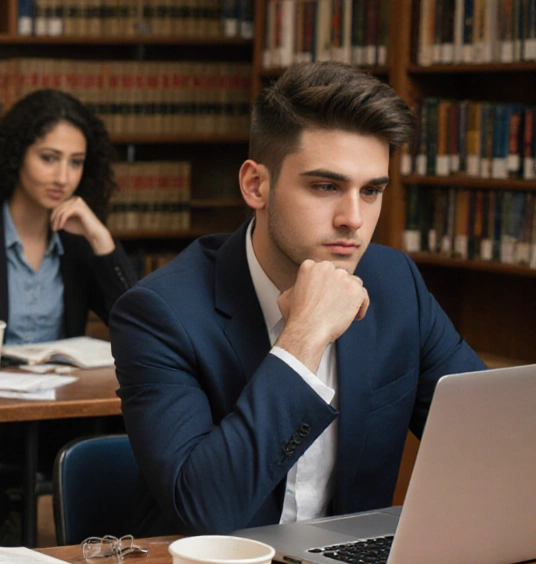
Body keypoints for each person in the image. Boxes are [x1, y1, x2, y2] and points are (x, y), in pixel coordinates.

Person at [110, 62, 486, 537]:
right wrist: (303, 338)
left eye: (371, 191)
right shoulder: (159, 313)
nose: (353, 218)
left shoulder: (395, 284)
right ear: (256, 185)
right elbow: (204, 510)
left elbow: (490, 439)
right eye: (325, 187)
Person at [0, 89, 136, 362]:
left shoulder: (79, 239)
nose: (62, 177)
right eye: (48, 158)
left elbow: (136, 324)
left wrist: (102, 239)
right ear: (16, 154)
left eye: (75, 162)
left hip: (64, 394)